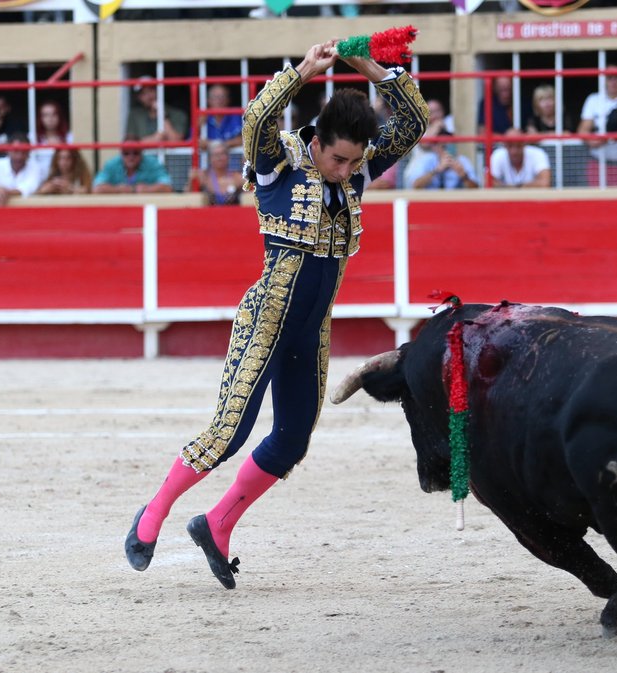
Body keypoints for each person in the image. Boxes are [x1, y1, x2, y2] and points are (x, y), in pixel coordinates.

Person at [124, 38, 428, 590]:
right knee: (228, 433)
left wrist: (368, 67)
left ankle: (217, 525)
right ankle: (154, 511)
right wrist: (304, 71)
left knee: (291, 441)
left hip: (311, 332)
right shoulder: (278, 161)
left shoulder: (355, 168)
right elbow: (256, 118)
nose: (346, 170)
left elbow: (413, 121)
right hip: (264, 319)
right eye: (338, 158)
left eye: (355, 161)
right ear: (317, 141)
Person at [576, 65, 617, 186]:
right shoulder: (593, 99)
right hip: (598, 162)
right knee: (596, 202)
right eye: (610, 78)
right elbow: (583, 130)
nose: (614, 82)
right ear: (604, 80)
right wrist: (591, 141)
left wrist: (606, 139)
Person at [403, 99, 478, 189]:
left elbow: (476, 189)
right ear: (435, 147)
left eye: (450, 145)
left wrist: (463, 176)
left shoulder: (461, 161)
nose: (447, 148)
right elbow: (415, 186)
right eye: (443, 146)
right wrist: (437, 170)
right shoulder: (428, 159)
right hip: (429, 200)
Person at [0, 133, 46, 206]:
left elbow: (29, 189)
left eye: (24, 152)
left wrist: (2, 192)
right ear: (8, 150)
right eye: (16, 151)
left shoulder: (35, 167)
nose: (19, 156)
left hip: (26, 213)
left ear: (29, 152)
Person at [91, 138, 174, 194]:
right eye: (126, 153)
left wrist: (147, 189)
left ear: (142, 152)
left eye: (135, 153)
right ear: (121, 154)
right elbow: (97, 188)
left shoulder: (153, 163)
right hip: (119, 211)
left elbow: (167, 187)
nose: (131, 157)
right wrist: (118, 189)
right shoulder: (112, 164)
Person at [126, 77, 188, 143]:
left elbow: (176, 141)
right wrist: (155, 138)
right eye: (143, 93)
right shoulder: (134, 115)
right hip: (144, 153)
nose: (149, 95)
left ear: (159, 90)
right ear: (138, 98)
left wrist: (163, 115)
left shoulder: (178, 114)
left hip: (168, 153)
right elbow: (130, 144)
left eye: (151, 90)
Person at [191, 139, 244, 205]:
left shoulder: (237, 177)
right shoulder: (203, 176)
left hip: (235, 214)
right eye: (216, 155)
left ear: (228, 157)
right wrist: (191, 180)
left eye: (222, 154)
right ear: (210, 158)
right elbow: (188, 195)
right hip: (208, 215)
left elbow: (250, 193)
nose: (219, 157)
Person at [199, 84, 243, 152]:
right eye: (215, 97)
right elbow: (193, 140)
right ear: (208, 100)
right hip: (208, 161)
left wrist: (221, 144)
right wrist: (198, 126)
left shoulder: (238, 116)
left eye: (222, 97)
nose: (219, 101)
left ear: (228, 100)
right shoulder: (203, 118)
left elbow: (248, 139)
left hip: (234, 161)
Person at [32, 99, 72, 169]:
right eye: (45, 115)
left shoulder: (69, 137)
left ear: (59, 117)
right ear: (40, 118)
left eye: (54, 114)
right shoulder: (32, 137)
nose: (50, 119)